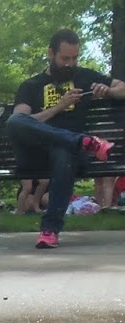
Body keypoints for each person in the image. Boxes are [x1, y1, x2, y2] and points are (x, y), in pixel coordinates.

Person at [7, 30, 125, 248]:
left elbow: (123, 88)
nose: (70, 64)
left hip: (68, 156)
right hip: (37, 154)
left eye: (74, 58)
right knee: (14, 121)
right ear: (51, 54)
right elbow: (20, 121)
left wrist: (109, 91)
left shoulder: (85, 77)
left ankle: (49, 230)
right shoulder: (31, 86)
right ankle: (81, 140)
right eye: (65, 59)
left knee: (63, 152)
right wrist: (58, 107)